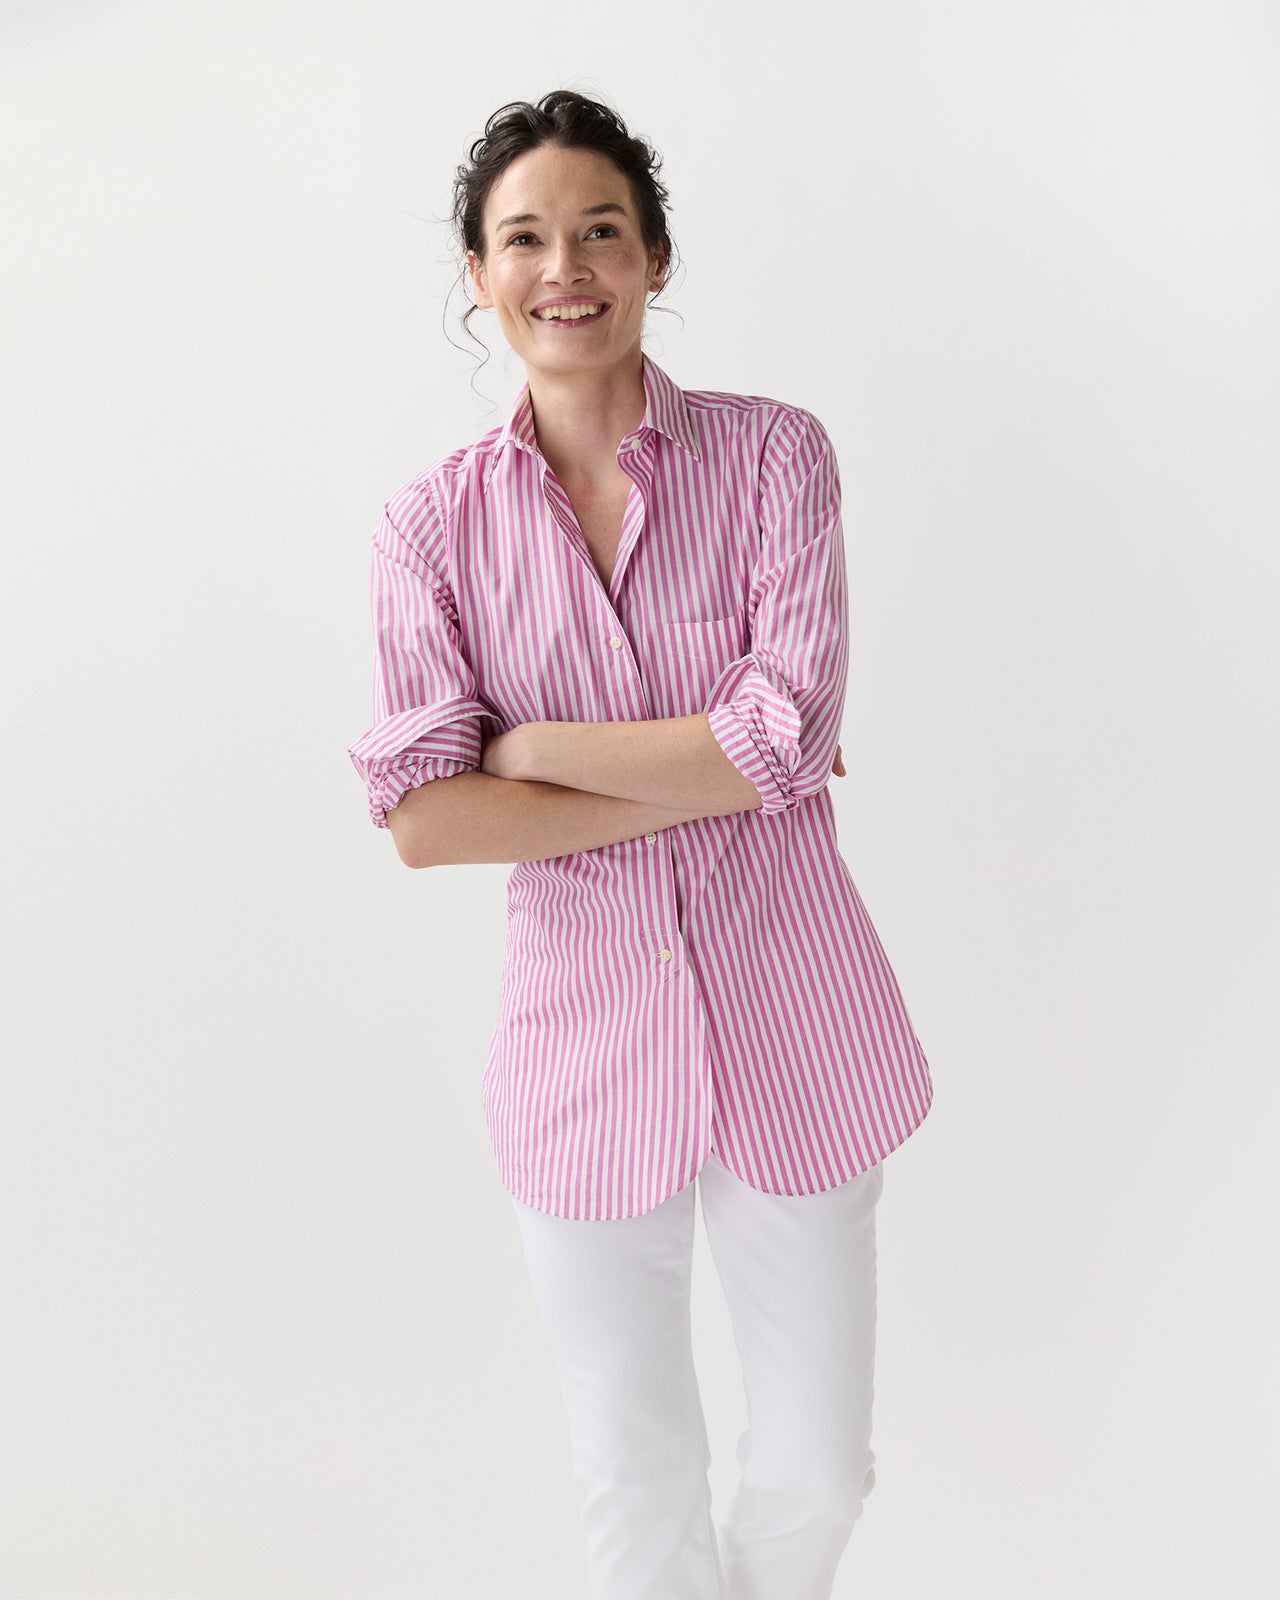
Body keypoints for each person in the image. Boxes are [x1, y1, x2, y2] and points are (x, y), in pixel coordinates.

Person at [347, 88, 934, 1600]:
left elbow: (783, 731)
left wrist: (530, 750)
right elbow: (425, 820)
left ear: (656, 255)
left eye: (600, 229)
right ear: (479, 279)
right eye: (524, 237)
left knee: (815, 1470)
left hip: (800, 1033)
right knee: (636, 1487)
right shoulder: (429, 530)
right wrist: (741, 762)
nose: (567, 266)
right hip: (580, 1057)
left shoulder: (775, 461)